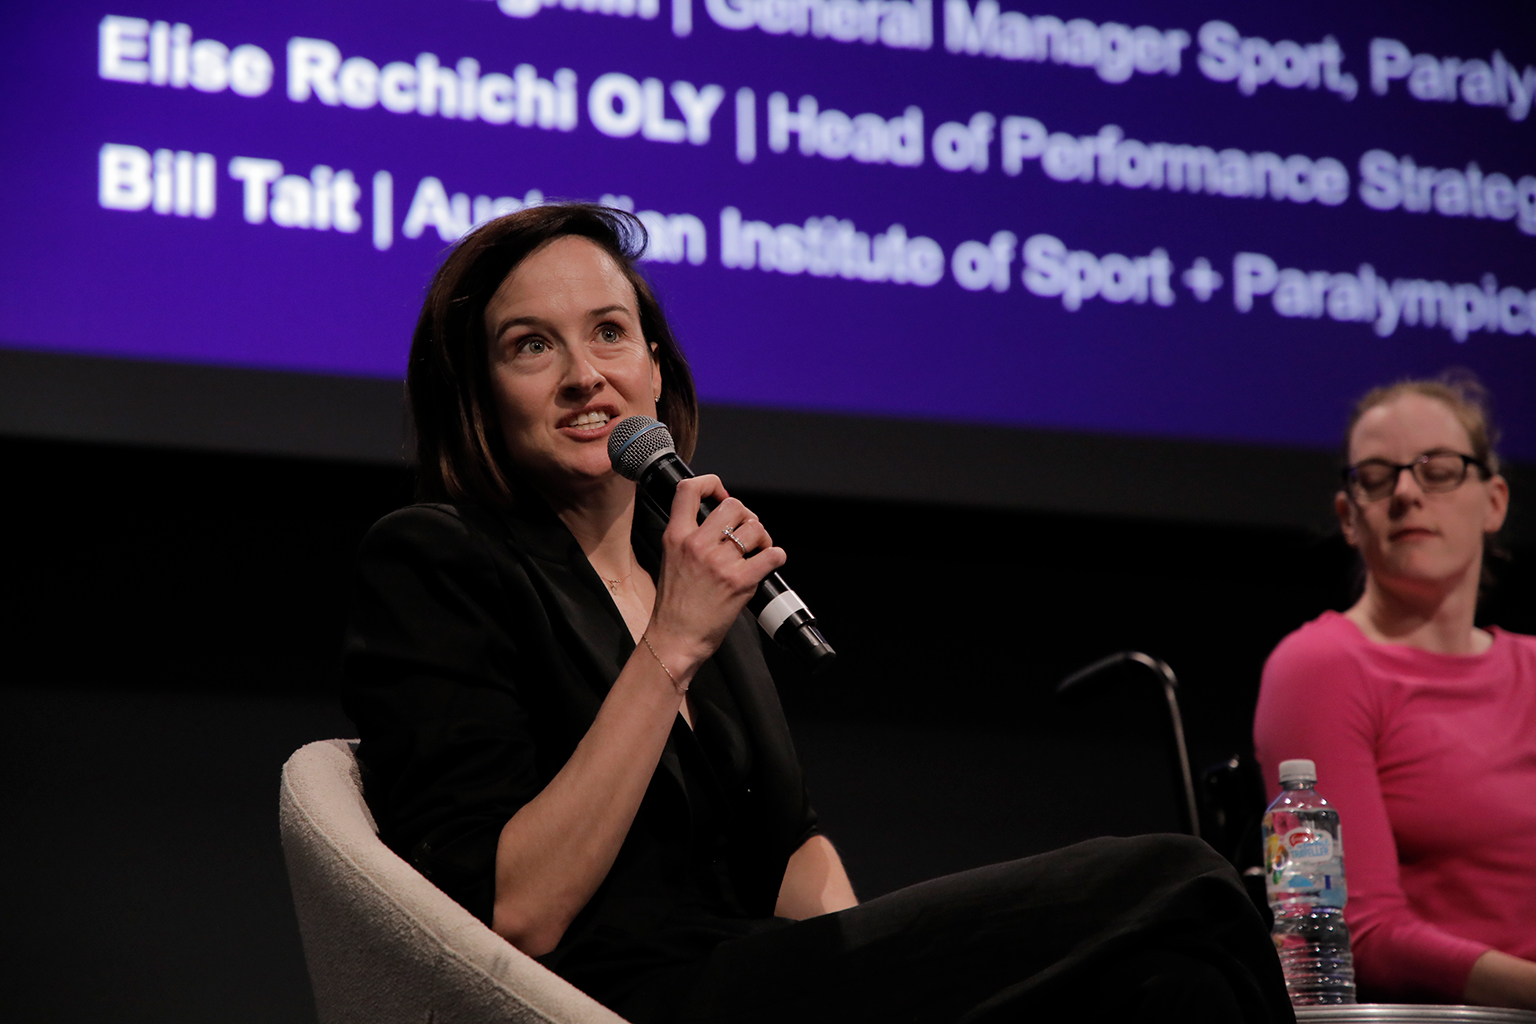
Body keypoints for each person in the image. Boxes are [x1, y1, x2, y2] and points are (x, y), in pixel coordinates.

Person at [343, 203, 1292, 1023]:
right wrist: (671, 643)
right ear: (477, 396)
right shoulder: (441, 560)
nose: (586, 374)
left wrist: (895, 969)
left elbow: (792, 852)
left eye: (610, 332)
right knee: (1178, 878)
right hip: (622, 1000)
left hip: (774, 984)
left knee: (1171, 982)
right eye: (532, 346)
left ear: (657, 368)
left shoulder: (682, 557)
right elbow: (514, 911)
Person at [1254, 374, 1536, 1009]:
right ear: (1349, 518)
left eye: (1438, 470)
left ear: (1494, 502)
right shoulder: (1321, 666)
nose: (1408, 492)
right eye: (1378, 477)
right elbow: (1363, 932)